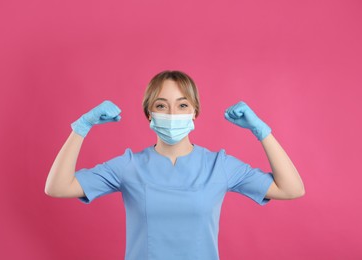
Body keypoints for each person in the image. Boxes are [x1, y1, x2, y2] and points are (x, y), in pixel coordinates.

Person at [45, 70, 305, 260]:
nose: (172, 114)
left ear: (195, 112)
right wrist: (82, 127)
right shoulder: (128, 166)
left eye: (182, 105)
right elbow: (57, 187)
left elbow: (291, 189)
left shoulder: (219, 165)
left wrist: (262, 131)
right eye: (161, 105)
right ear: (149, 113)